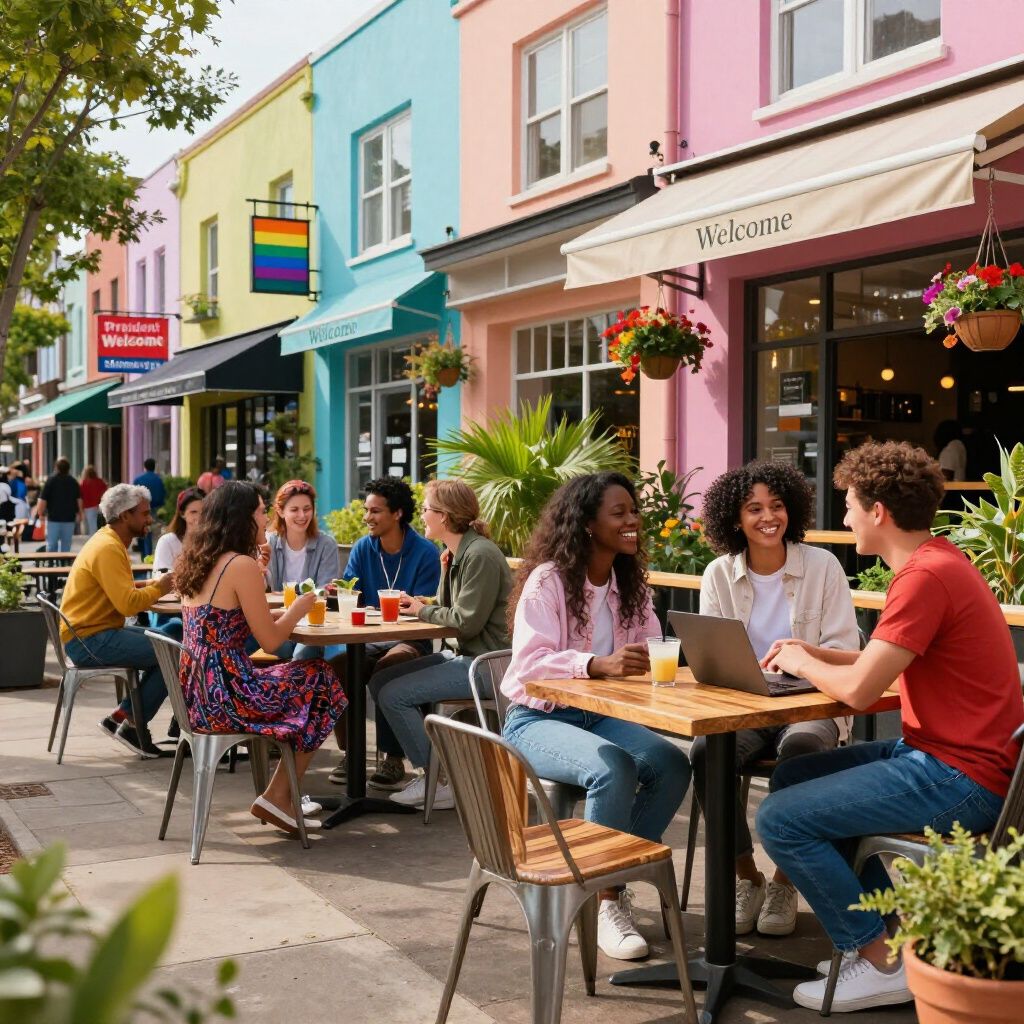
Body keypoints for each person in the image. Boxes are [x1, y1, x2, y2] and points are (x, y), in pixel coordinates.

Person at [756, 441, 1024, 1013]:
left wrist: (801, 662)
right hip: (943, 756)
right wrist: (814, 651)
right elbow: (882, 661)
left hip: (962, 778)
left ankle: (881, 959)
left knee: (779, 819)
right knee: (792, 778)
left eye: (850, 504)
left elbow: (857, 694)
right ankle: (887, 939)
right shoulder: (940, 562)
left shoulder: (924, 577)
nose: (845, 516)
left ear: (878, 511)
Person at [501, 472, 692, 961]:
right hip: (537, 718)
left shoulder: (629, 583)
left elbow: (647, 648)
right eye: (619, 513)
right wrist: (594, 664)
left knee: (672, 764)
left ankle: (613, 879)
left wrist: (649, 662)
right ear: (587, 524)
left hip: (598, 716)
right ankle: (603, 903)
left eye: (634, 511)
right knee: (613, 768)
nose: (632, 522)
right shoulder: (549, 580)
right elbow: (527, 663)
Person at [692, 461, 858, 939]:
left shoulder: (823, 566)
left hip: (814, 701)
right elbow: (712, 656)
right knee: (706, 754)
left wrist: (799, 661)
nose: (769, 517)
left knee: (801, 752)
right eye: (755, 509)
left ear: (793, 509)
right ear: (735, 519)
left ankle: (786, 881)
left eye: (777, 505)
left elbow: (847, 651)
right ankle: (748, 877)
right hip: (747, 704)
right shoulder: (718, 574)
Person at [176, 481, 347, 835]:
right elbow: (270, 640)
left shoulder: (198, 559)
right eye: (260, 511)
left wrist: (259, 568)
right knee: (321, 679)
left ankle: (279, 795)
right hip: (229, 695)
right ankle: (279, 796)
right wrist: (300, 607)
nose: (266, 518)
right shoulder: (239, 565)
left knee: (306, 678)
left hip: (197, 695)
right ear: (242, 518)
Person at [367, 480, 512, 811]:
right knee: (380, 680)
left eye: (426, 509)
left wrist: (421, 609)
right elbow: (450, 608)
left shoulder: (480, 555)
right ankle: (438, 773)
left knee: (394, 694)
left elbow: (465, 621)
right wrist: (428, 598)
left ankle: (438, 779)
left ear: (444, 516)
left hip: (488, 664)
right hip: (467, 656)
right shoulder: (458, 553)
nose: (422, 515)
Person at [326, 477, 441, 789]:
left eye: (375, 511)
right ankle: (353, 754)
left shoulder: (425, 553)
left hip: (411, 640)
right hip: (369, 638)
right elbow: (353, 593)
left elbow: (425, 610)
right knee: (337, 668)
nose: (367, 517)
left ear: (398, 514)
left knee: (389, 668)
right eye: (366, 510)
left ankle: (393, 757)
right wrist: (338, 593)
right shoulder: (364, 548)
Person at [60, 484, 179, 757]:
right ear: (125, 516)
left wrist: (152, 583)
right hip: (90, 639)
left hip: (94, 633)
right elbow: (127, 604)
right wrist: (160, 588)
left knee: (175, 630)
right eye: (144, 513)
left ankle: (123, 713)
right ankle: (133, 726)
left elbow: (119, 588)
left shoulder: (109, 540)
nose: (149, 519)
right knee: (174, 652)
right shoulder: (109, 548)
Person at [264, 479, 340, 660]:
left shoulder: (326, 544)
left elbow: (323, 591)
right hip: (278, 621)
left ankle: (291, 685)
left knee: (302, 654)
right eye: (294, 510)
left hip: (312, 624)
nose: (302, 515)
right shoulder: (269, 542)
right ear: (280, 511)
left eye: (307, 509)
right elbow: (262, 588)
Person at [36, 457, 82, 552]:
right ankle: (64, 564)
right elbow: (79, 500)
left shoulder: (50, 481)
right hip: (69, 518)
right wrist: (80, 513)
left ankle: (52, 564)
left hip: (54, 518)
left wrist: (40, 513)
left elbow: (43, 499)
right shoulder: (73, 482)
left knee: (52, 545)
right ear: (68, 468)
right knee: (66, 545)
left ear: (56, 467)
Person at [133, 459, 166, 559]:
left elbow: (133, 496)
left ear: (145, 467)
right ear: (154, 466)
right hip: (154, 509)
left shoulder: (138, 479)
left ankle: (144, 554)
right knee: (152, 533)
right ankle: (150, 555)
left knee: (141, 530)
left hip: (140, 510)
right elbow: (163, 495)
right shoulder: (159, 479)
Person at [79, 465, 108, 536]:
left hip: (86, 507)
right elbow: (106, 493)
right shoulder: (100, 482)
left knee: (88, 528)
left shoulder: (83, 483)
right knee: (93, 527)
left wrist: (80, 510)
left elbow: (80, 498)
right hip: (97, 506)